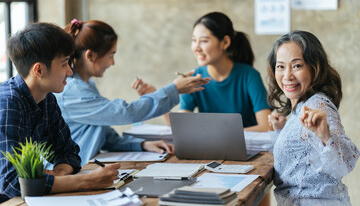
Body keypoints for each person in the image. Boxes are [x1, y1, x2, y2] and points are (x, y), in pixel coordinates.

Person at [133, 12, 272, 205]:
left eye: (204, 41)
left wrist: (221, 134)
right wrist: (156, 98)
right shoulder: (195, 78)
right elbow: (182, 128)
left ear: (225, 42)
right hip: (210, 161)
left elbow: (266, 125)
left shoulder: (249, 75)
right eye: (193, 41)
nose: (196, 48)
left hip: (250, 161)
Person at [55, 19, 210, 165]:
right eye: (111, 55)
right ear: (90, 55)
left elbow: (103, 134)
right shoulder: (73, 91)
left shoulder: (85, 85)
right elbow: (125, 113)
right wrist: (174, 89)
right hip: (74, 172)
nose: (113, 63)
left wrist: (142, 144)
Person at [0, 23, 121, 202]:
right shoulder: (8, 104)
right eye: (64, 63)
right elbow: (12, 183)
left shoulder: (47, 98)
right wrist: (85, 181)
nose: (70, 71)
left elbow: (69, 152)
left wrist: (59, 172)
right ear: (39, 70)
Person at [267, 30, 359, 205]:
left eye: (297, 66)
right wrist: (281, 130)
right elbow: (300, 159)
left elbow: (345, 163)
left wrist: (326, 136)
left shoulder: (317, 104)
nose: (287, 76)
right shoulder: (300, 107)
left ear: (314, 67)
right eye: (281, 66)